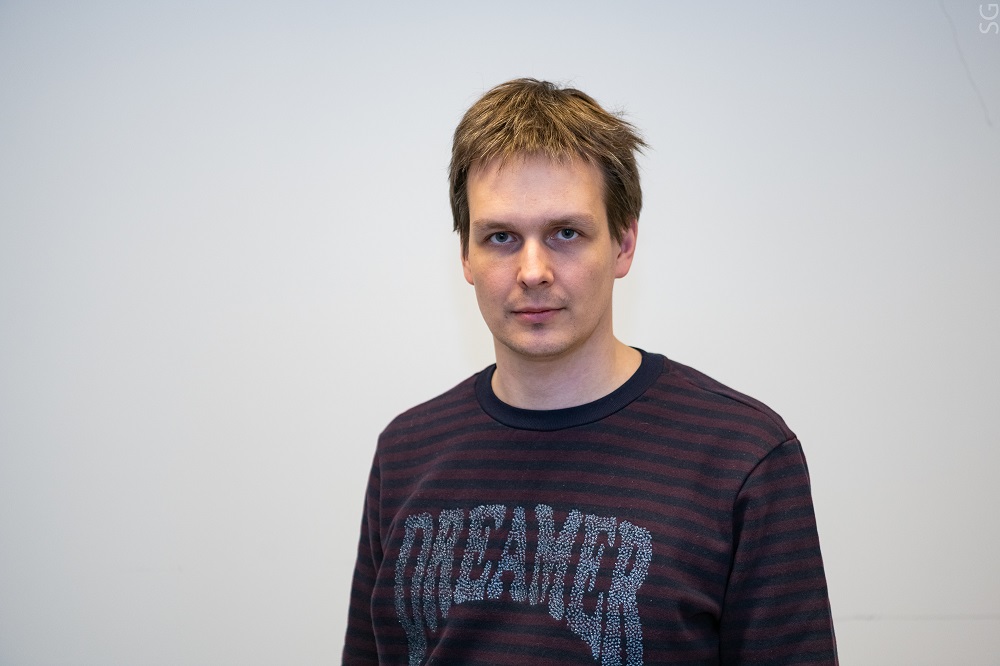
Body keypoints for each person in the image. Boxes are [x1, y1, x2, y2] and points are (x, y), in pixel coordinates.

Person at [342, 78, 838, 665]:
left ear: (624, 243)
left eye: (566, 233)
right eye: (501, 237)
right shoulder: (407, 451)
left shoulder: (742, 456)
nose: (533, 271)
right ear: (466, 256)